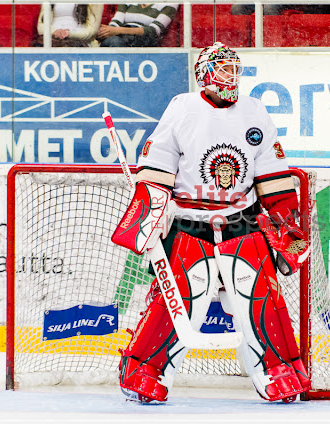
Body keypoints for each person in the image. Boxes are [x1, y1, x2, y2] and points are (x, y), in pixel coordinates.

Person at [111, 42, 311, 404]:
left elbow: (272, 173)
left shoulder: (255, 111)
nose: (230, 76)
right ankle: (144, 369)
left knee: (263, 299)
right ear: (204, 73)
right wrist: (149, 215)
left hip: (242, 223)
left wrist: (286, 224)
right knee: (175, 302)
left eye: (234, 69)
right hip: (190, 225)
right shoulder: (182, 107)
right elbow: (157, 170)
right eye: (222, 69)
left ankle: (279, 369)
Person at [97, 3, 178, 47]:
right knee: (111, 41)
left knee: (116, 42)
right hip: (120, 37)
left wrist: (118, 31)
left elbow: (153, 31)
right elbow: (116, 22)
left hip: (143, 41)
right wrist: (105, 31)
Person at [35, 3, 103, 47]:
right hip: (53, 38)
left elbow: (91, 31)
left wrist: (68, 34)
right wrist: (54, 32)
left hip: (79, 39)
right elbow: (41, 25)